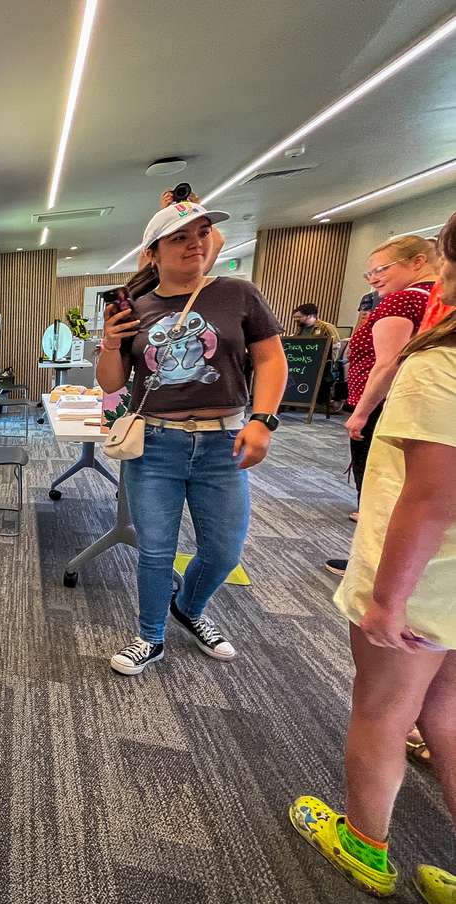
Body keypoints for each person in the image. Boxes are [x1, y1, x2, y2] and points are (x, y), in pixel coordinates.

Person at [290, 211, 456, 904]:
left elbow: (432, 497)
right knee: (445, 712)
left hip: (425, 575)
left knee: (384, 707)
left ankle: (363, 843)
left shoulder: (439, 362)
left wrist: (388, 598)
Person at [98, 201, 287, 675]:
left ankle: (190, 607)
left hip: (223, 442)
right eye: (179, 237)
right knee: (156, 549)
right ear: (154, 252)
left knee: (224, 548)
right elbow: (110, 383)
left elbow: (269, 360)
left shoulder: (237, 295)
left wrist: (263, 419)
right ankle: (150, 636)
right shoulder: (136, 308)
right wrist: (109, 341)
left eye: (201, 232)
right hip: (156, 443)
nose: (195, 243)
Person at [326, 236, 438, 576]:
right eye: (369, 273)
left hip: (386, 408)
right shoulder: (435, 301)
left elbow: (388, 363)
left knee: (380, 487)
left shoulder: (402, 301)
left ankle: (373, 564)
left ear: (418, 262)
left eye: (381, 269)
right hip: (418, 408)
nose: (374, 278)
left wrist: (360, 411)